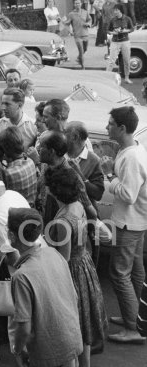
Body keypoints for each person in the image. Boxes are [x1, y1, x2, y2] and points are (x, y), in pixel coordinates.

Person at [46, 168, 109, 367]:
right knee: (83, 325)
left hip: (71, 272)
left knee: (71, 327)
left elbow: (63, 259)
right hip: (84, 265)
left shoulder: (63, 221)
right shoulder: (78, 205)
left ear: (54, 190)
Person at [7, 207, 84, 367]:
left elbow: (24, 327)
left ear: (12, 236)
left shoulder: (21, 276)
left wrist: (17, 349)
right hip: (71, 341)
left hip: (46, 353)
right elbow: (73, 296)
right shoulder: (54, 254)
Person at [102, 106, 147, 344]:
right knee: (136, 273)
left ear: (121, 128)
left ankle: (133, 328)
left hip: (129, 223)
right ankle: (137, 319)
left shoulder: (131, 156)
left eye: (110, 124)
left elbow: (128, 195)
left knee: (119, 274)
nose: (106, 127)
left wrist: (110, 176)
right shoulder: (133, 148)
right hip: (137, 221)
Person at [0, 126, 37, 207]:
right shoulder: (30, 162)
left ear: (4, 150)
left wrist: (0, 158)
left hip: (16, 213)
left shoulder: (7, 174)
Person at [106, 4, 134, 83]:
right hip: (115, 41)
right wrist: (113, 32)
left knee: (127, 60)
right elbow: (108, 30)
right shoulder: (112, 20)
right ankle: (106, 77)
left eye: (116, 10)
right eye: (114, 10)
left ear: (120, 10)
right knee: (111, 61)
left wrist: (125, 31)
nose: (115, 12)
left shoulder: (127, 19)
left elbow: (132, 29)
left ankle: (127, 78)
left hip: (125, 41)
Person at [63, 0, 91, 69]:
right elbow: (66, 24)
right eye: (76, 3)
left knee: (85, 49)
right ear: (74, 5)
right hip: (77, 35)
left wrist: (88, 24)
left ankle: (79, 58)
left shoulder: (85, 12)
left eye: (78, 3)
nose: (77, 4)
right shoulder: (71, 14)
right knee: (81, 50)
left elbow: (89, 19)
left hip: (85, 34)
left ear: (81, 4)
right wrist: (70, 31)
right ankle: (82, 66)